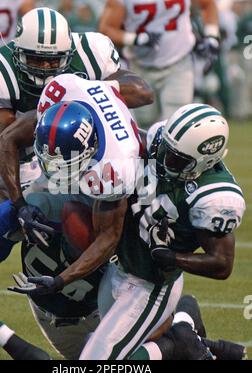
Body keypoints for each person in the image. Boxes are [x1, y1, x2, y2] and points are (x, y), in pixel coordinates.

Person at [0, 7, 153, 272]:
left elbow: (142, 92)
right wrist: (56, 109)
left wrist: (85, 96)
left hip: (60, 146)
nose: (47, 68)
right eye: (37, 60)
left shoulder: (92, 51)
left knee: (47, 216)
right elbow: (3, 142)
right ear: (18, 53)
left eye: (54, 60)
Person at [76, 103, 245, 359]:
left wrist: (171, 257)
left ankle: (179, 336)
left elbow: (222, 264)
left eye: (176, 158)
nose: (164, 158)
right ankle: (182, 328)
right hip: (120, 265)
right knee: (108, 349)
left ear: (204, 162)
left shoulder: (214, 197)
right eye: (166, 148)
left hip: (151, 285)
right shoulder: (160, 139)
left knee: (98, 360)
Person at [99, 0, 221, 128]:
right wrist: (134, 38)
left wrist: (212, 35)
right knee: (144, 123)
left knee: (176, 121)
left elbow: (208, 4)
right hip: (140, 65)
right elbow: (106, 29)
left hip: (179, 61)